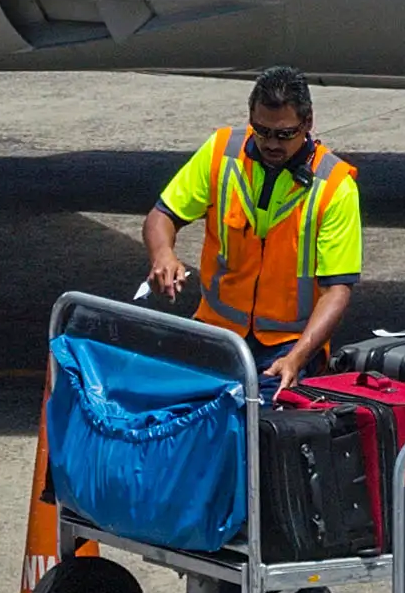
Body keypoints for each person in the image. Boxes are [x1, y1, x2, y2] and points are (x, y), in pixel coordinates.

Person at [146, 67, 362, 380]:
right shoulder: (221, 153)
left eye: (285, 134)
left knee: (262, 423)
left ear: (308, 122)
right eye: (261, 131)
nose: (272, 143)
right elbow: (162, 215)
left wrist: (296, 358)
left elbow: (336, 292)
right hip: (218, 333)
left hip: (287, 346)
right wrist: (162, 254)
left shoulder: (334, 186)